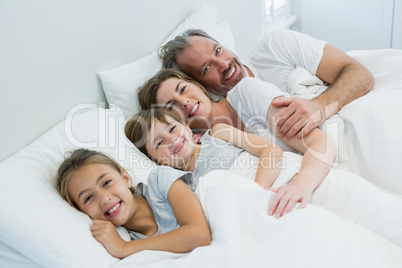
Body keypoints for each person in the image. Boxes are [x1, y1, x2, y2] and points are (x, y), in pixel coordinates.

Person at [125, 108, 402, 247]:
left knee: (378, 216)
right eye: (158, 143)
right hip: (274, 210)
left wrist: (255, 189)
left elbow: (269, 150)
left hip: (292, 179)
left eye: (172, 129)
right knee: (346, 242)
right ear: (155, 159)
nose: (171, 141)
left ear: (186, 126)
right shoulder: (188, 185)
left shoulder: (218, 135)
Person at [158, 28, 374, 141]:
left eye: (218, 50)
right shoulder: (224, 123)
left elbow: (360, 74)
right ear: (198, 85)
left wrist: (320, 106)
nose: (223, 64)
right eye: (207, 69)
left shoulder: (276, 46)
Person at [56, 148, 210, 259]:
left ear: (125, 178)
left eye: (106, 182)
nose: (104, 199)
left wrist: (124, 248)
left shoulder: (161, 181)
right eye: (88, 198)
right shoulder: (127, 239)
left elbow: (199, 235)